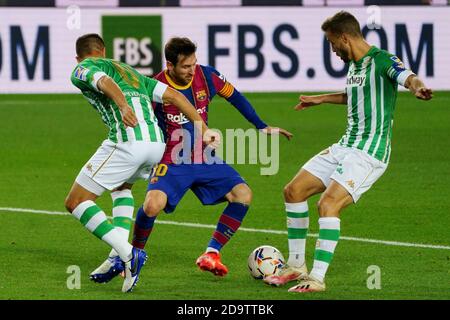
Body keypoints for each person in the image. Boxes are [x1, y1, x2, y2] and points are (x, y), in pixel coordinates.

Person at [264, 11, 432, 292]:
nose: (332, 50)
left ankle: (316, 279)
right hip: (346, 145)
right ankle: (296, 266)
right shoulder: (355, 65)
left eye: (332, 44)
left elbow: (407, 76)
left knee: (327, 205)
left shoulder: (382, 60)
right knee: (293, 191)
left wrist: (419, 87)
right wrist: (321, 99)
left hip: (369, 152)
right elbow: (355, 95)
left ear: (344, 37)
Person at [65, 33, 219, 292]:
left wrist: (123, 106)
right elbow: (176, 97)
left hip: (129, 141)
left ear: (79, 56)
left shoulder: (83, 67)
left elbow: (102, 81)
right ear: (103, 50)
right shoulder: (130, 72)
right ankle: (118, 257)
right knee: (122, 187)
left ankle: (128, 253)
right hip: (156, 145)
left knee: (76, 201)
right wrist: (204, 128)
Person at [127, 37, 293, 277]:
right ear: (170, 65)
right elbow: (141, 124)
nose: (192, 70)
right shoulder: (155, 86)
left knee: (243, 194)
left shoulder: (208, 76)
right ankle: (132, 256)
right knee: (152, 206)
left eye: (194, 64)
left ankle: (212, 253)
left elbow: (235, 96)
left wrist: (260, 126)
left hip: (204, 156)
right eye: (185, 66)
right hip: (171, 159)